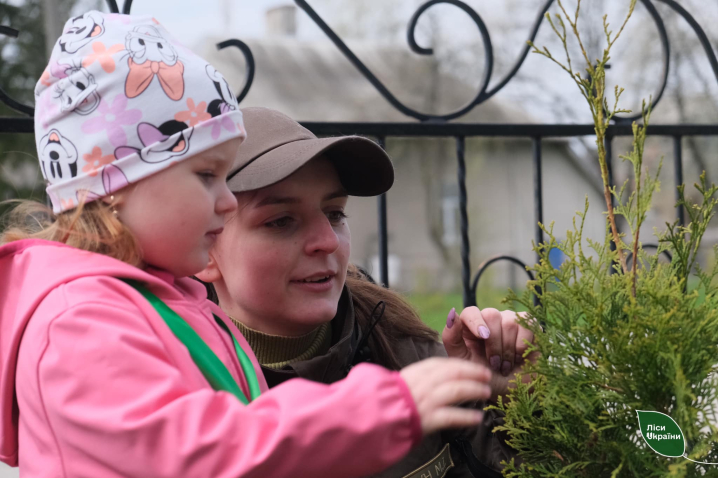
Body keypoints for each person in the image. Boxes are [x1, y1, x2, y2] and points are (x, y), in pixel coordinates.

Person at [0, 13, 497, 478]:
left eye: (336, 213)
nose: (227, 202)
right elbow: (206, 451)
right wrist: (387, 406)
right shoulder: (80, 320)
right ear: (115, 186)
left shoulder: (161, 304)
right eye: (207, 175)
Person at [197, 107, 537, 477]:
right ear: (203, 252)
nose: (327, 241)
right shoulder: (171, 400)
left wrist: (515, 409)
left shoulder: (409, 357)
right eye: (281, 221)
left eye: (335, 213)